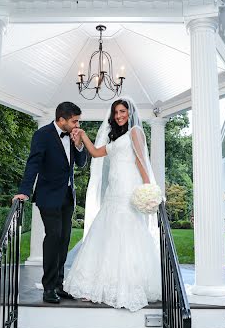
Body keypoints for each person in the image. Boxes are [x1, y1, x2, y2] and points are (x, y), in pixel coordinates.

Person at [64, 97, 162, 312]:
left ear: (129, 112)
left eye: (122, 111)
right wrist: (83, 135)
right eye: (116, 112)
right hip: (113, 190)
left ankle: (127, 285)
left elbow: (140, 160)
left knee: (126, 232)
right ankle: (97, 285)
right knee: (106, 232)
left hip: (128, 188)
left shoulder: (135, 131)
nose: (118, 116)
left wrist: (147, 188)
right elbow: (97, 153)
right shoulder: (116, 137)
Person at [13, 102, 87, 304]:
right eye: (74, 121)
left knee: (63, 240)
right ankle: (48, 288)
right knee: (53, 237)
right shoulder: (42, 135)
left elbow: (81, 163)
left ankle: (59, 285)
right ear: (61, 119)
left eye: (78, 120)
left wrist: (79, 144)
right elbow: (33, 163)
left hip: (67, 196)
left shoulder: (74, 135)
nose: (77, 124)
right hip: (48, 196)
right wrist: (24, 191)